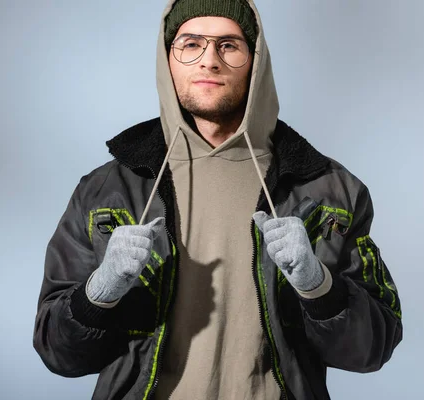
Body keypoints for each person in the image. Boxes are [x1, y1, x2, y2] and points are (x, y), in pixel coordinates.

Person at [33, 0, 403, 399]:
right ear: (167, 59)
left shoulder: (329, 190)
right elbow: (58, 353)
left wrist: (318, 285)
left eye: (228, 45)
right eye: (191, 44)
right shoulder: (106, 191)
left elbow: (373, 349)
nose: (209, 60)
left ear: (256, 60)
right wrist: (99, 291)